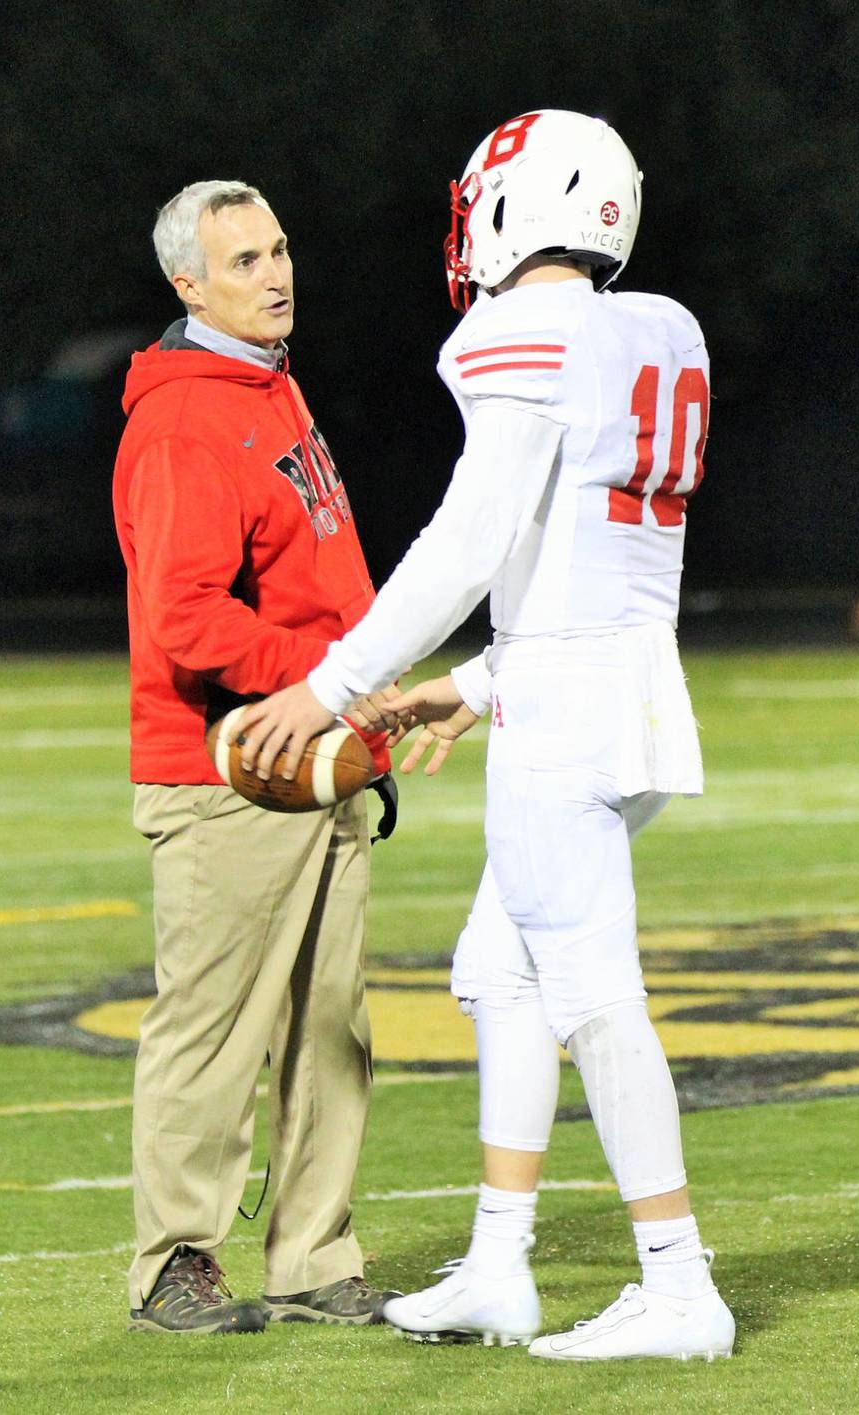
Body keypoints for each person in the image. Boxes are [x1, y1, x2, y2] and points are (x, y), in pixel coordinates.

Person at [237, 110, 736, 1362]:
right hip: (624, 685)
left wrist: (334, 683)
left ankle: (679, 1283)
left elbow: (472, 540)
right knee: (498, 971)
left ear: (520, 205)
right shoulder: (660, 329)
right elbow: (594, 558)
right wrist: (473, 682)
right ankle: (500, 1265)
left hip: (566, 706)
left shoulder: (518, 331)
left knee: (592, 992)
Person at [112, 179, 402, 1336]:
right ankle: (174, 1261)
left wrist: (356, 720)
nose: (275, 274)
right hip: (226, 768)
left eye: (278, 249)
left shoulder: (267, 383)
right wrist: (333, 682)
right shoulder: (186, 417)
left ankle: (315, 1255)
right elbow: (186, 618)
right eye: (244, 261)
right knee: (215, 1028)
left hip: (314, 752)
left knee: (332, 1025)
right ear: (188, 284)